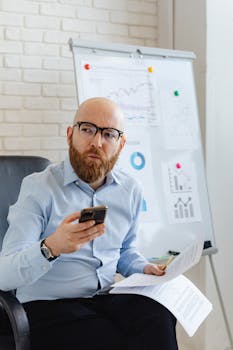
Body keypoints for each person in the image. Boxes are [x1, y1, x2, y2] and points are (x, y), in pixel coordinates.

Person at [0, 97, 178, 350]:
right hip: (48, 307)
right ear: (70, 134)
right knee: (106, 339)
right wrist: (52, 246)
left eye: (108, 134)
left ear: (121, 143)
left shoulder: (129, 190)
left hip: (103, 299)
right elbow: (3, 275)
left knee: (159, 314)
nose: (96, 142)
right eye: (88, 129)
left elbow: (125, 251)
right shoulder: (38, 188)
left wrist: (144, 268)